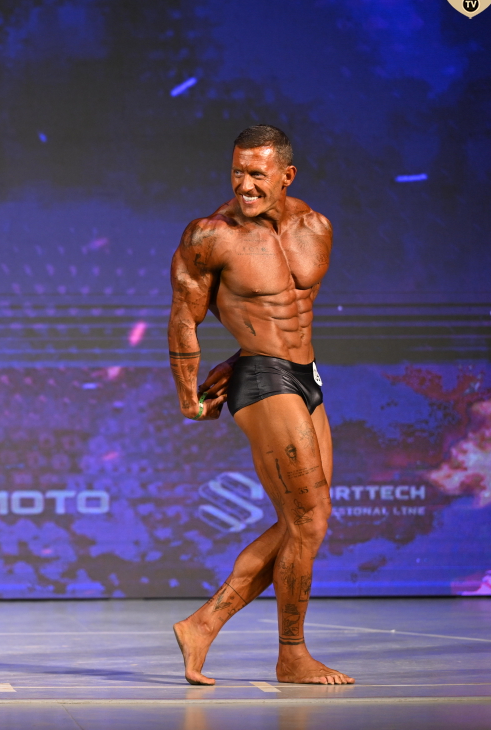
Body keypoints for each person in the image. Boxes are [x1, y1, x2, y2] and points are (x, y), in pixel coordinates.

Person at [167, 125, 353, 686]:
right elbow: (184, 316)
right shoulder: (210, 235)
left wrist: (242, 350)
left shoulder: (316, 227)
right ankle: (291, 655)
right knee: (307, 518)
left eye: (257, 174)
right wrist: (189, 394)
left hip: (305, 375)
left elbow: (288, 317)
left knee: (310, 522)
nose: (244, 185)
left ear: (286, 175)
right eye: (237, 172)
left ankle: (203, 623)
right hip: (263, 380)